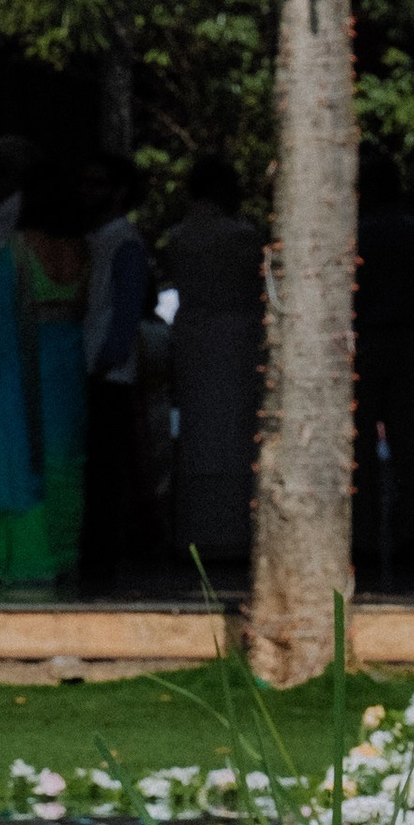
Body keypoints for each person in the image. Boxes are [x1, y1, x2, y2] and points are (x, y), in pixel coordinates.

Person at [0, 159, 89, 591]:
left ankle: (27, 559)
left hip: (26, 359)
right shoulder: (82, 248)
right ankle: (64, 554)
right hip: (69, 359)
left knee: (23, 448)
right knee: (67, 459)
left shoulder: (19, 246)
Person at [159, 156, 263, 565]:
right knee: (235, 435)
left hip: (192, 336)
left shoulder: (178, 236)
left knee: (197, 435)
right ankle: (233, 531)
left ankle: (196, 529)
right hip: (235, 339)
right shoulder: (243, 236)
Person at [354, 149, 414, 591]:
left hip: (367, 342)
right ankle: (408, 534)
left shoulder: (358, 235)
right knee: (407, 445)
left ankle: (364, 536)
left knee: (361, 446)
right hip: (408, 341)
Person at [79, 154, 156, 585]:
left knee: (107, 467)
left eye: (97, 183)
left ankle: (103, 558)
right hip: (95, 364)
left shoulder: (124, 242)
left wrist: (107, 360)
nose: (87, 192)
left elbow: (126, 312)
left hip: (107, 371)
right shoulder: (100, 238)